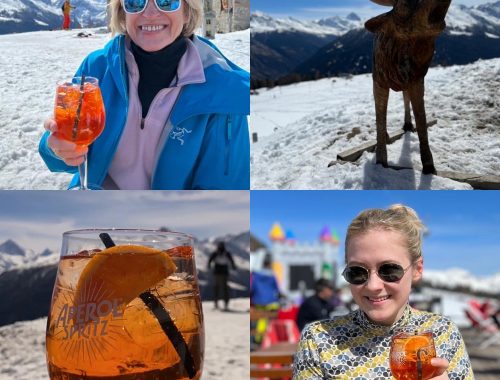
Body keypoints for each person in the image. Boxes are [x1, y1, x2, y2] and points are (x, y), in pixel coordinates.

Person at [40, 0, 250, 190]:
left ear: (187, 12)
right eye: (135, 2)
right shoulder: (97, 68)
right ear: (123, 14)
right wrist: (57, 147)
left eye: (166, 2)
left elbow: (222, 196)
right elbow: (60, 152)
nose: (149, 13)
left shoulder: (224, 91)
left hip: (168, 225)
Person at [293, 205, 474, 379]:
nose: (373, 286)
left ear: (417, 269)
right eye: (357, 272)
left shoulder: (442, 333)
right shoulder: (319, 339)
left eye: (389, 270)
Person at [208, 241, 236, 311]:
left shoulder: (216, 253)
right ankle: (223, 304)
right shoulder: (226, 253)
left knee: (218, 288)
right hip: (223, 273)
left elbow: (210, 260)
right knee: (223, 288)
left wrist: (208, 265)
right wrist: (233, 266)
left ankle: (217, 303)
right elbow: (231, 261)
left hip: (218, 273)